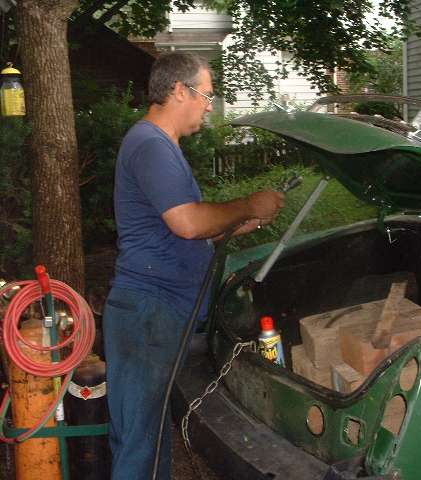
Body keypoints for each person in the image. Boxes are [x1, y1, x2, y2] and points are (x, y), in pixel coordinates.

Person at [102, 52, 285, 479]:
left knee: (149, 435)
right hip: (148, 312)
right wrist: (247, 204)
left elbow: (186, 228)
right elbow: (186, 223)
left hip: (157, 312)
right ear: (179, 91)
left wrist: (235, 223)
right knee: (138, 442)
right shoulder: (151, 145)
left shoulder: (161, 146)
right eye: (206, 95)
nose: (208, 106)